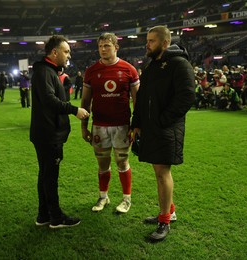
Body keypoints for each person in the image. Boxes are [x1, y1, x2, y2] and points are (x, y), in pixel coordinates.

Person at [131, 26, 195, 242]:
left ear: (165, 43)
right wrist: (137, 123)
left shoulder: (179, 64)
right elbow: (141, 97)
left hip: (166, 129)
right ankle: (168, 212)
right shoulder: (153, 65)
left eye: (151, 41)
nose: (147, 45)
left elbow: (186, 97)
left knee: (162, 173)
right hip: (152, 128)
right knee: (158, 171)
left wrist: (162, 121)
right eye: (147, 40)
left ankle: (164, 221)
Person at [30, 35, 90, 228]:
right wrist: (74, 110)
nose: (68, 55)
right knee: (50, 177)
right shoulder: (44, 72)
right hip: (48, 134)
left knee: (45, 174)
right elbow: (49, 100)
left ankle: (43, 215)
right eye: (66, 51)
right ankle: (56, 217)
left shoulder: (47, 70)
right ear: (54, 52)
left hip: (46, 133)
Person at [81, 32, 140, 214]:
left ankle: (126, 199)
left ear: (116, 47)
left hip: (122, 126)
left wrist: (135, 125)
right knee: (102, 164)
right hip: (99, 125)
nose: (103, 49)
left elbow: (137, 101)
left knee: (122, 162)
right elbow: (85, 102)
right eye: (100, 46)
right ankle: (103, 197)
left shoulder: (129, 69)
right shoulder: (91, 71)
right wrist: (84, 127)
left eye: (107, 45)